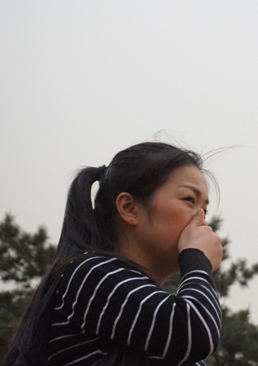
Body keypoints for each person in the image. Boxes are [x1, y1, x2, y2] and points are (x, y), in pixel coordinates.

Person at [4, 142, 223, 366]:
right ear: (129, 208)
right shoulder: (91, 275)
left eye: (204, 210)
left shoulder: (150, 313)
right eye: (189, 200)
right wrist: (197, 259)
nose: (201, 221)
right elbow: (194, 332)